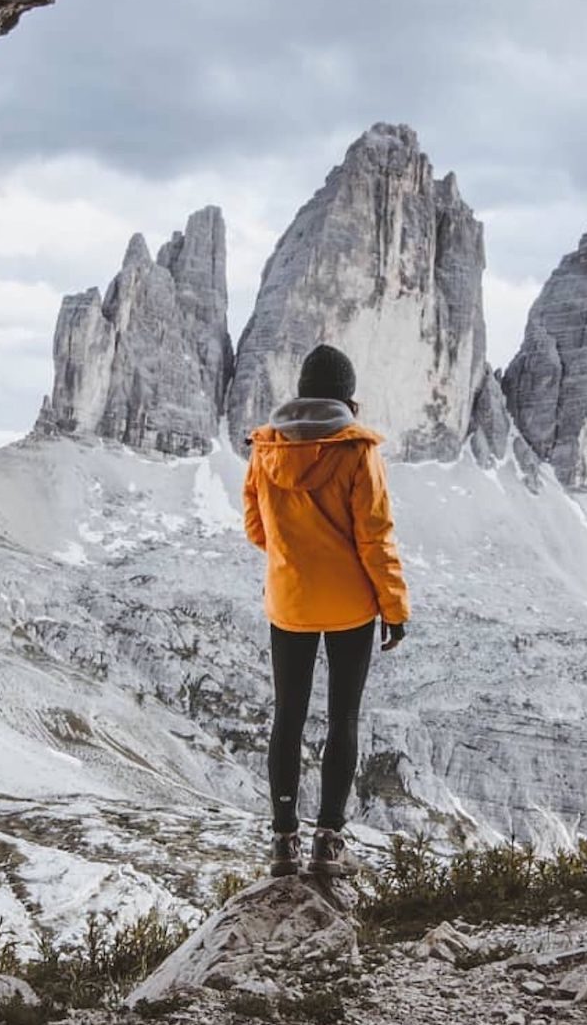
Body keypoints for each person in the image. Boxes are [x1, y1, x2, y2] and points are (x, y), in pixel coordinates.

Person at [242, 343, 410, 878]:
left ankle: (282, 845)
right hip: (350, 607)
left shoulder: (265, 448)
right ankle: (328, 843)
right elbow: (375, 538)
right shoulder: (357, 451)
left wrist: (296, 556)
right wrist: (394, 607)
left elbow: (255, 528)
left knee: (287, 717)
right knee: (343, 718)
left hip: (289, 603)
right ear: (346, 397)